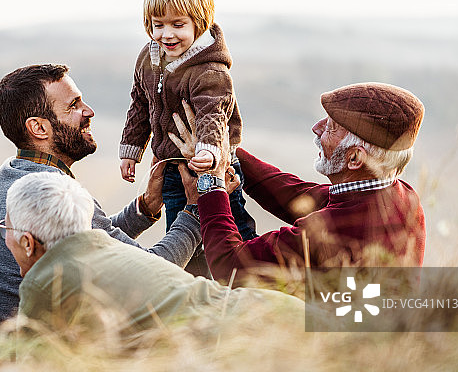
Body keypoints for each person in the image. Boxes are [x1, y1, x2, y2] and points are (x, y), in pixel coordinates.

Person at [0, 63, 202, 358]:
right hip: (29, 361)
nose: (88, 111)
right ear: (39, 127)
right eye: (74, 106)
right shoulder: (46, 191)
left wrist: (144, 209)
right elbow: (156, 269)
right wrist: (195, 210)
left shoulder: (8, 175)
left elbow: (87, 241)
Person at [176, 82, 426, 283]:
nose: (316, 129)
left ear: (354, 158)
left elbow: (229, 266)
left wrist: (210, 183)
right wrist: (223, 150)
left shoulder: (337, 230)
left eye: (331, 127)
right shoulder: (398, 194)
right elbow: (298, 197)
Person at [2, 172, 302, 338]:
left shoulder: (44, 282)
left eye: (6, 226)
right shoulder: (108, 247)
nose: (5, 236)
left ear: (28, 242)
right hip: (279, 311)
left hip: (255, 335)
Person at [118, 0, 257, 277]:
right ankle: (192, 291)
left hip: (214, 167)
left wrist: (208, 151)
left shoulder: (210, 70)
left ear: (200, 22)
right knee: (183, 235)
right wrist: (130, 149)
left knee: (228, 233)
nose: (167, 34)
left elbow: (213, 114)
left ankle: (250, 285)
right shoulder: (148, 59)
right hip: (172, 165)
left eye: (178, 25)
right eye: (158, 25)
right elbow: (140, 103)